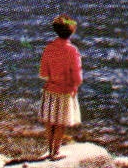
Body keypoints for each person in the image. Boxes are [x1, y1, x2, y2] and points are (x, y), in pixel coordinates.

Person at [38, 14, 82, 160]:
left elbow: (43, 73)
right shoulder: (72, 50)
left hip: (49, 90)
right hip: (65, 91)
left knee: (50, 121)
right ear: (71, 32)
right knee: (60, 122)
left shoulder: (49, 48)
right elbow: (77, 75)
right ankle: (56, 152)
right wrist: (75, 85)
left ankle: (49, 149)